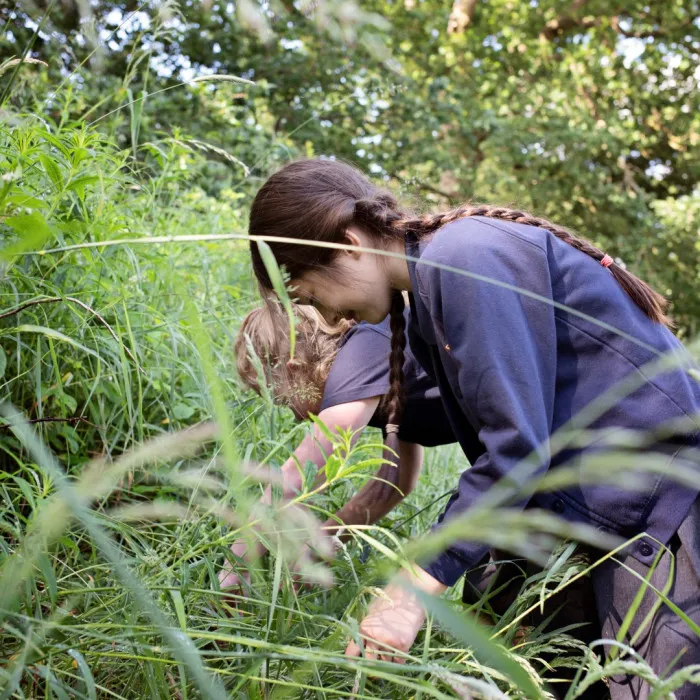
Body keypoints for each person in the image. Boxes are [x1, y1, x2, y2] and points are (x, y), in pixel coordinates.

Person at [247, 158, 700, 699]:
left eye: (307, 292)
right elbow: (484, 430)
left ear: (348, 244)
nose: (327, 312)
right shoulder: (425, 303)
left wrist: (411, 590)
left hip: (666, 513)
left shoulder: (467, 259)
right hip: (591, 518)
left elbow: (515, 452)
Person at [219, 300, 455, 591]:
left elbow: (296, 475)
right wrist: (323, 540)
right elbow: (394, 481)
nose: (294, 418)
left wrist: (234, 568)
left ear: (295, 371)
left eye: (284, 401)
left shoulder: (366, 350)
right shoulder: (376, 381)